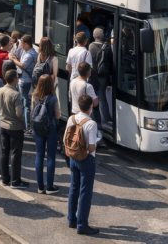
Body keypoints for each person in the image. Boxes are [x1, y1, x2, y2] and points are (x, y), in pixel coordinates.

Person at [65, 94, 99, 235]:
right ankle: (82, 225)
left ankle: (72, 219)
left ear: (79, 106)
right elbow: (91, 148)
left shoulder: (71, 119)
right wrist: (97, 142)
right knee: (85, 192)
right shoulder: (91, 123)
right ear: (90, 107)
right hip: (86, 160)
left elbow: (65, 139)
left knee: (74, 188)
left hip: (73, 158)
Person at [0, 69, 28, 189]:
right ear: (14, 80)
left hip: (2, 125)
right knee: (15, 154)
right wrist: (23, 122)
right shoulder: (15, 94)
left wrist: (3, 113)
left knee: (4, 152)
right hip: (15, 127)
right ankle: (16, 180)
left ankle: (5, 178)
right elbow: (19, 113)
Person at [32, 74, 61, 194]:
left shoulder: (34, 96)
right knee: (51, 157)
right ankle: (49, 186)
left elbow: (32, 112)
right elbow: (58, 115)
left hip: (37, 128)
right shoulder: (53, 98)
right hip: (51, 128)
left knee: (39, 155)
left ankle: (40, 187)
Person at [9, 34, 37, 133]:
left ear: (25, 43)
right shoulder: (27, 51)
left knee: (25, 103)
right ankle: (25, 124)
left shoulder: (30, 55)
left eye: (21, 42)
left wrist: (13, 59)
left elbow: (22, 65)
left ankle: (27, 126)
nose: (20, 43)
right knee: (24, 102)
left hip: (25, 81)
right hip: (23, 80)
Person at [88, 28, 113, 128]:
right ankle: (105, 120)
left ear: (94, 36)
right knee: (102, 98)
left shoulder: (90, 46)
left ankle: (95, 118)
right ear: (103, 36)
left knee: (93, 97)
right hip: (103, 76)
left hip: (93, 75)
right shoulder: (107, 47)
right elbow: (111, 62)